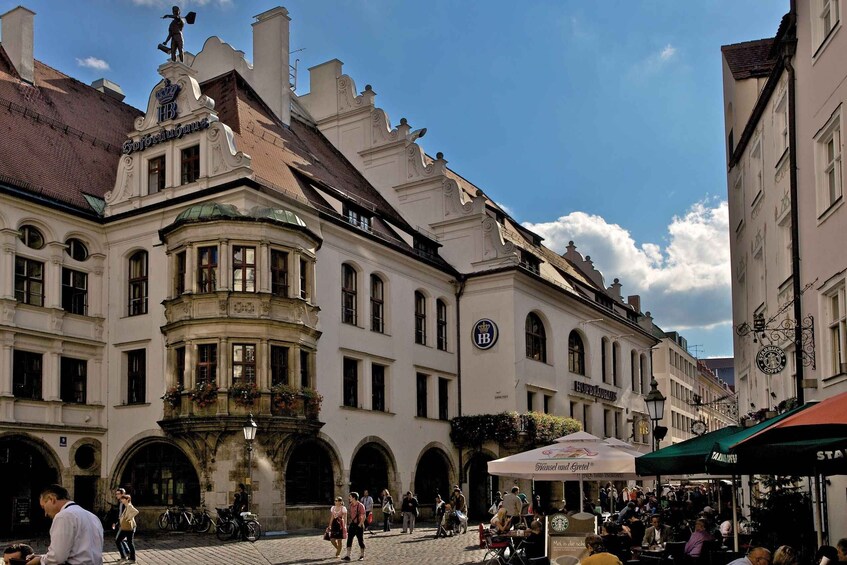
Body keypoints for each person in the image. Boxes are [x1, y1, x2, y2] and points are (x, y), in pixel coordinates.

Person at [26, 484, 103, 565]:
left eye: (43, 507)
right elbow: (79, 552)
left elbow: (57, 558)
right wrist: (42, 557)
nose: (45, 513)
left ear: (52, 499)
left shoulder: (63, 516)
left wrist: (40, 561)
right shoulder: (93, 516)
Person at [343, 491, 366, 561]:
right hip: (352, 525)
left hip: (359, 525)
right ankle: (348, 555)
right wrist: (349, 523)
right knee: (349, 540)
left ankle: (362, 555)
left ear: (354, 498)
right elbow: (349, 515)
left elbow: (364, 516)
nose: (349, 498)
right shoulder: (350, 505)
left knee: (360, 541)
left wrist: (360, 524)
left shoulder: (360, 505)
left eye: (350, 497)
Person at [116, 493, 139, 564]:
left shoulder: (129, 506)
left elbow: (136, 511)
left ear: (127, 499)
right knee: (121, 541)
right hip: (125, 527)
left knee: (127, 542)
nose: (121, 500)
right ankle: (125, 557)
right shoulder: (126, 506)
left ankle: (130, 558)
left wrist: (129, 518)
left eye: (123, 499)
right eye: (121, 499)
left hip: (129, 527)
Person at [112, 488, 131, 558]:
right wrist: (115, 522)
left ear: (123, 494)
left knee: (118, 540)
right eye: (116, 494)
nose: (116, 495)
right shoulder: (120, 502)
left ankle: (124, 555)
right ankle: (127, 553)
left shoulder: (126, 503)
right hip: (120, 523)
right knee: (121, 539)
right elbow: (118, 514)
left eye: (118, 494)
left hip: (125, 524)